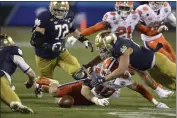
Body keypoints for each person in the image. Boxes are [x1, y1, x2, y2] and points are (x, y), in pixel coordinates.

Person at [68, 1, 173, 97]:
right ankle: (98, 89)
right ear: (117, 7)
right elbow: (95, 28)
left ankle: (159, 90)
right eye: (121, 8)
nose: (124, 11)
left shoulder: (133, 17)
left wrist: (157, 31)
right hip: (111, 46)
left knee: (140, 71)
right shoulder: (111, 17)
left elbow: (146, 31)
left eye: (126, 9)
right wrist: (79, 35)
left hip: (128, 46)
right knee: (107, 69)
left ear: (131, 9)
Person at [49, 57, 169, 108]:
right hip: (82, 89)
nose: (104, 71)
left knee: (64, 102)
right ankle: (49, 82)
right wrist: (96, 100)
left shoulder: (123, 78)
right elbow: (84, 90)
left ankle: (57, 95)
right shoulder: (98, 71)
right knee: (54, 91)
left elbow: (140, 89)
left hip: (91, 99)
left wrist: (156, 103)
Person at [30, 1, 93, 98]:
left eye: (63, 11)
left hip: (61, 52)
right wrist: (50, 47)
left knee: (79, 72)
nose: (60, 13)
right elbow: (34, 41)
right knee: (46, 86)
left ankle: (84, 94)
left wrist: (83, 39)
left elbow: (71, 28)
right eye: (58, 11)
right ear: (51, 9)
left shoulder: (69, 15)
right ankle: (38, 84)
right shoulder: (44, 17)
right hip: (45, 56)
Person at [90, 31, 176, 90]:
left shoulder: (122, 47)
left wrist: (103, 79)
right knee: (172, 86)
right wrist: (87, 65)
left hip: (158, 61)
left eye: (102, 47)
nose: (102, 50)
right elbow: (101, 57)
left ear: (109, 44)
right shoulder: (114, 48)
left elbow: (121, 70)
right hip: (151, 69)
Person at [0, 34, 35, 114]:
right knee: (13, 101)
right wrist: (30, 82)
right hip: (2, 76)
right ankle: (15, 103)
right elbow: (31, 74)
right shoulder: (12, 50)